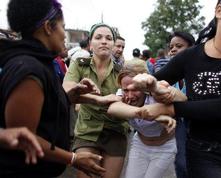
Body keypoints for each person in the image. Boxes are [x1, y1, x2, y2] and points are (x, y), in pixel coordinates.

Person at [128, 0, 221, 177]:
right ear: (219, 11)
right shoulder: (191, 56)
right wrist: (146, 81)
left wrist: (169, 108)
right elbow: (152, 81)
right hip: (205, 152)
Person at [0, 0, 106, 177]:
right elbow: (23, 140)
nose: (64, 35)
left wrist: (68, 96)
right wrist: (73, 158)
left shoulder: (41, 62)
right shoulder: (29, 69)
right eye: (63, 27)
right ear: (48, 27)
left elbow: (43, 110)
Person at [63, 23, 129, 178]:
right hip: (87, 130)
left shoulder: (122, 73)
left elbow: (128, 100)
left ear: (113, 45)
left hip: (116, 130)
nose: (104, 41)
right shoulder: (79, 64)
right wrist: (98, 100)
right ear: (90, 44)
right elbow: (66, 90)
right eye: (98, 37)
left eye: (108, 38)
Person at [107, 60, 185, 178]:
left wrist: (158, 92)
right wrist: (148, 114)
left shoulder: (157, 92)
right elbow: (112, 108)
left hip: (165, 148)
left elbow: (183, 100)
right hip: (140, 145)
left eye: (135, 89)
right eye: (126, 90)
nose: (130, 95)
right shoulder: (122, 94)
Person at [166, 31, 195, 178]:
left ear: (191, 48)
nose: (173, 49)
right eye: (171, 46)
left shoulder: (197, 74)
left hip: (198, 125)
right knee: (181, 163)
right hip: (179, 125)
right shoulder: (168, 75)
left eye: (179, 46)